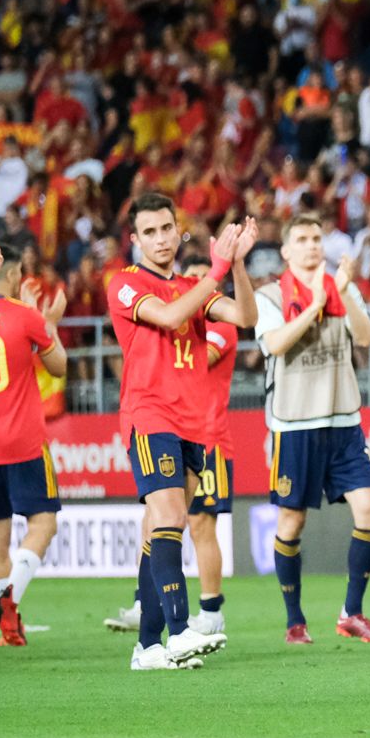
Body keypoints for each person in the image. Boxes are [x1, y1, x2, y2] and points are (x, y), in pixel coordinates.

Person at [107, 196, 259, 672]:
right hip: (150, 416)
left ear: (179, 231)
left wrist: (235, 266)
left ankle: (147, 647)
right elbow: (171, 318)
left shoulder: (196, 285)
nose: (160, 239)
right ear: (135, 240)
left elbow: (247, 318)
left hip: (193, 423)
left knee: (160, 528)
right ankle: (179, 631)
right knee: (171, 514)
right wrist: (214, 271)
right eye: (149, 232)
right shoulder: (126, 284)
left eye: (166, 229)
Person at [256, 215, 370, 646]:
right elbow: (274, 344)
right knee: (291, 522)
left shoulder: (341, 288)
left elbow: (365, 338)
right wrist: (314, 305)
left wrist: (343, 291)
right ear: (287, 251)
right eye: (303, 240)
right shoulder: (270, 295)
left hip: (343, 421)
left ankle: (352, 612)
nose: (313, 246)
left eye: (317, 239)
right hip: (294, 425)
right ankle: (295, 620)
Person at [0, 255, 68, 648]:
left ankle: (9, 627)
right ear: (12, 275)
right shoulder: (25, 316)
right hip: (24, 440)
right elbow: (58, 367)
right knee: (44, 524)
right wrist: (50, 324)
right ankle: (10, 598)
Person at [184, 255, 239, 642]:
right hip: (178, 433)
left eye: (204, 278)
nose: (198, 285)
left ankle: (211, 612)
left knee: (203, 524)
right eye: (191, 279)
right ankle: (144, 602)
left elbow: (196, 363)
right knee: (166, 520)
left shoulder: (220, 325)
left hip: (209, 439)